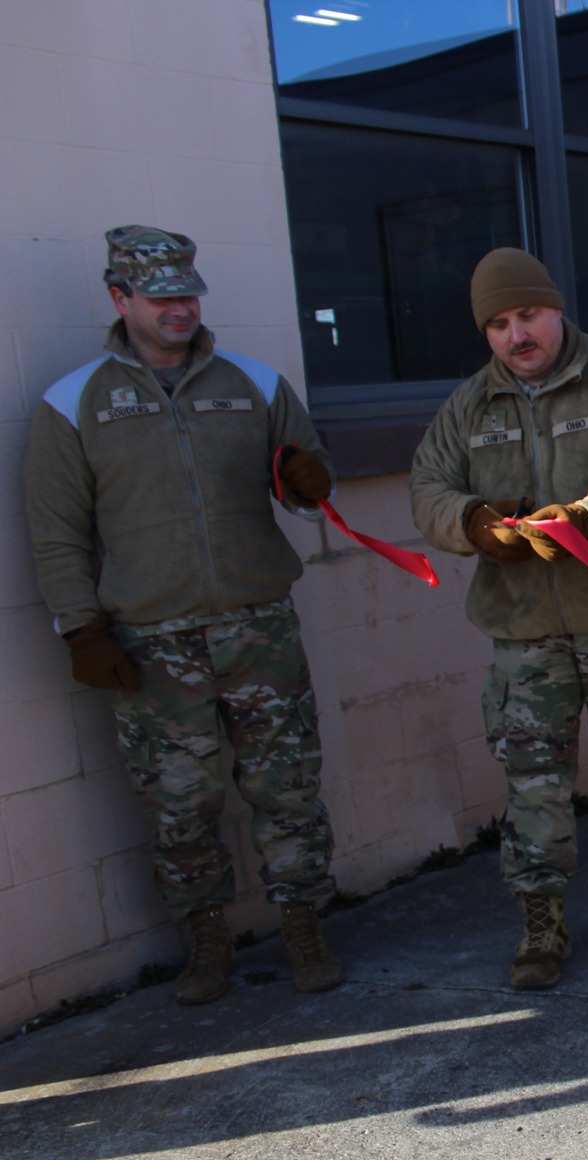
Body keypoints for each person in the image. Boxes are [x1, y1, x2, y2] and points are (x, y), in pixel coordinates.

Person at [25, 226, 343, 1004]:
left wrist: (310, 482)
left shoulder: (256, 386)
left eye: (188, 293)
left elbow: (311, 499)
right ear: (120, 299)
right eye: (163, 296)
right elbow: (56, 531)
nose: (180, 307)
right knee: (179, 802)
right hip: (151, 644)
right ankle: (205, 941)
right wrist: (81, 627)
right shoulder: (73, 406)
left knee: (288, 787)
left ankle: (304, 926)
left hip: (258, 626)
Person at [410, 248, 588, 991]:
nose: (517, 335)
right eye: (499, 324)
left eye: (528, 315)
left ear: (556, 308)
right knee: (533, 785)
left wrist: (584, 519)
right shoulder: (470, 406)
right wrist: (473, 525)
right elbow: (428, 489)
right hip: (525, 636)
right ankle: (542, 920)